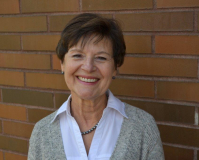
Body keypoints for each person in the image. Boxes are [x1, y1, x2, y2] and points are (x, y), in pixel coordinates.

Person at [28, 13, 164, 160]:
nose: (88, 67)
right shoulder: (42, 132)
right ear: (62, 64)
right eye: (77, 55)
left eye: (101, 58)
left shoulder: (143, 128)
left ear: (115, 67)